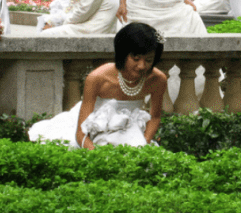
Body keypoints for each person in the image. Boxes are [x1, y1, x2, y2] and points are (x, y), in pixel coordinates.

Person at [28, 23, 167, 148]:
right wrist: (97, 155)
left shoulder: (158, 79)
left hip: (130, 129)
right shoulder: (98, 78)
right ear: (122, 54)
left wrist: (144, 144)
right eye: (135, 59)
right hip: (92, 125)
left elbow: (155, 117)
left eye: (148, 60)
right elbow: (81, 133)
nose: (142, 66)